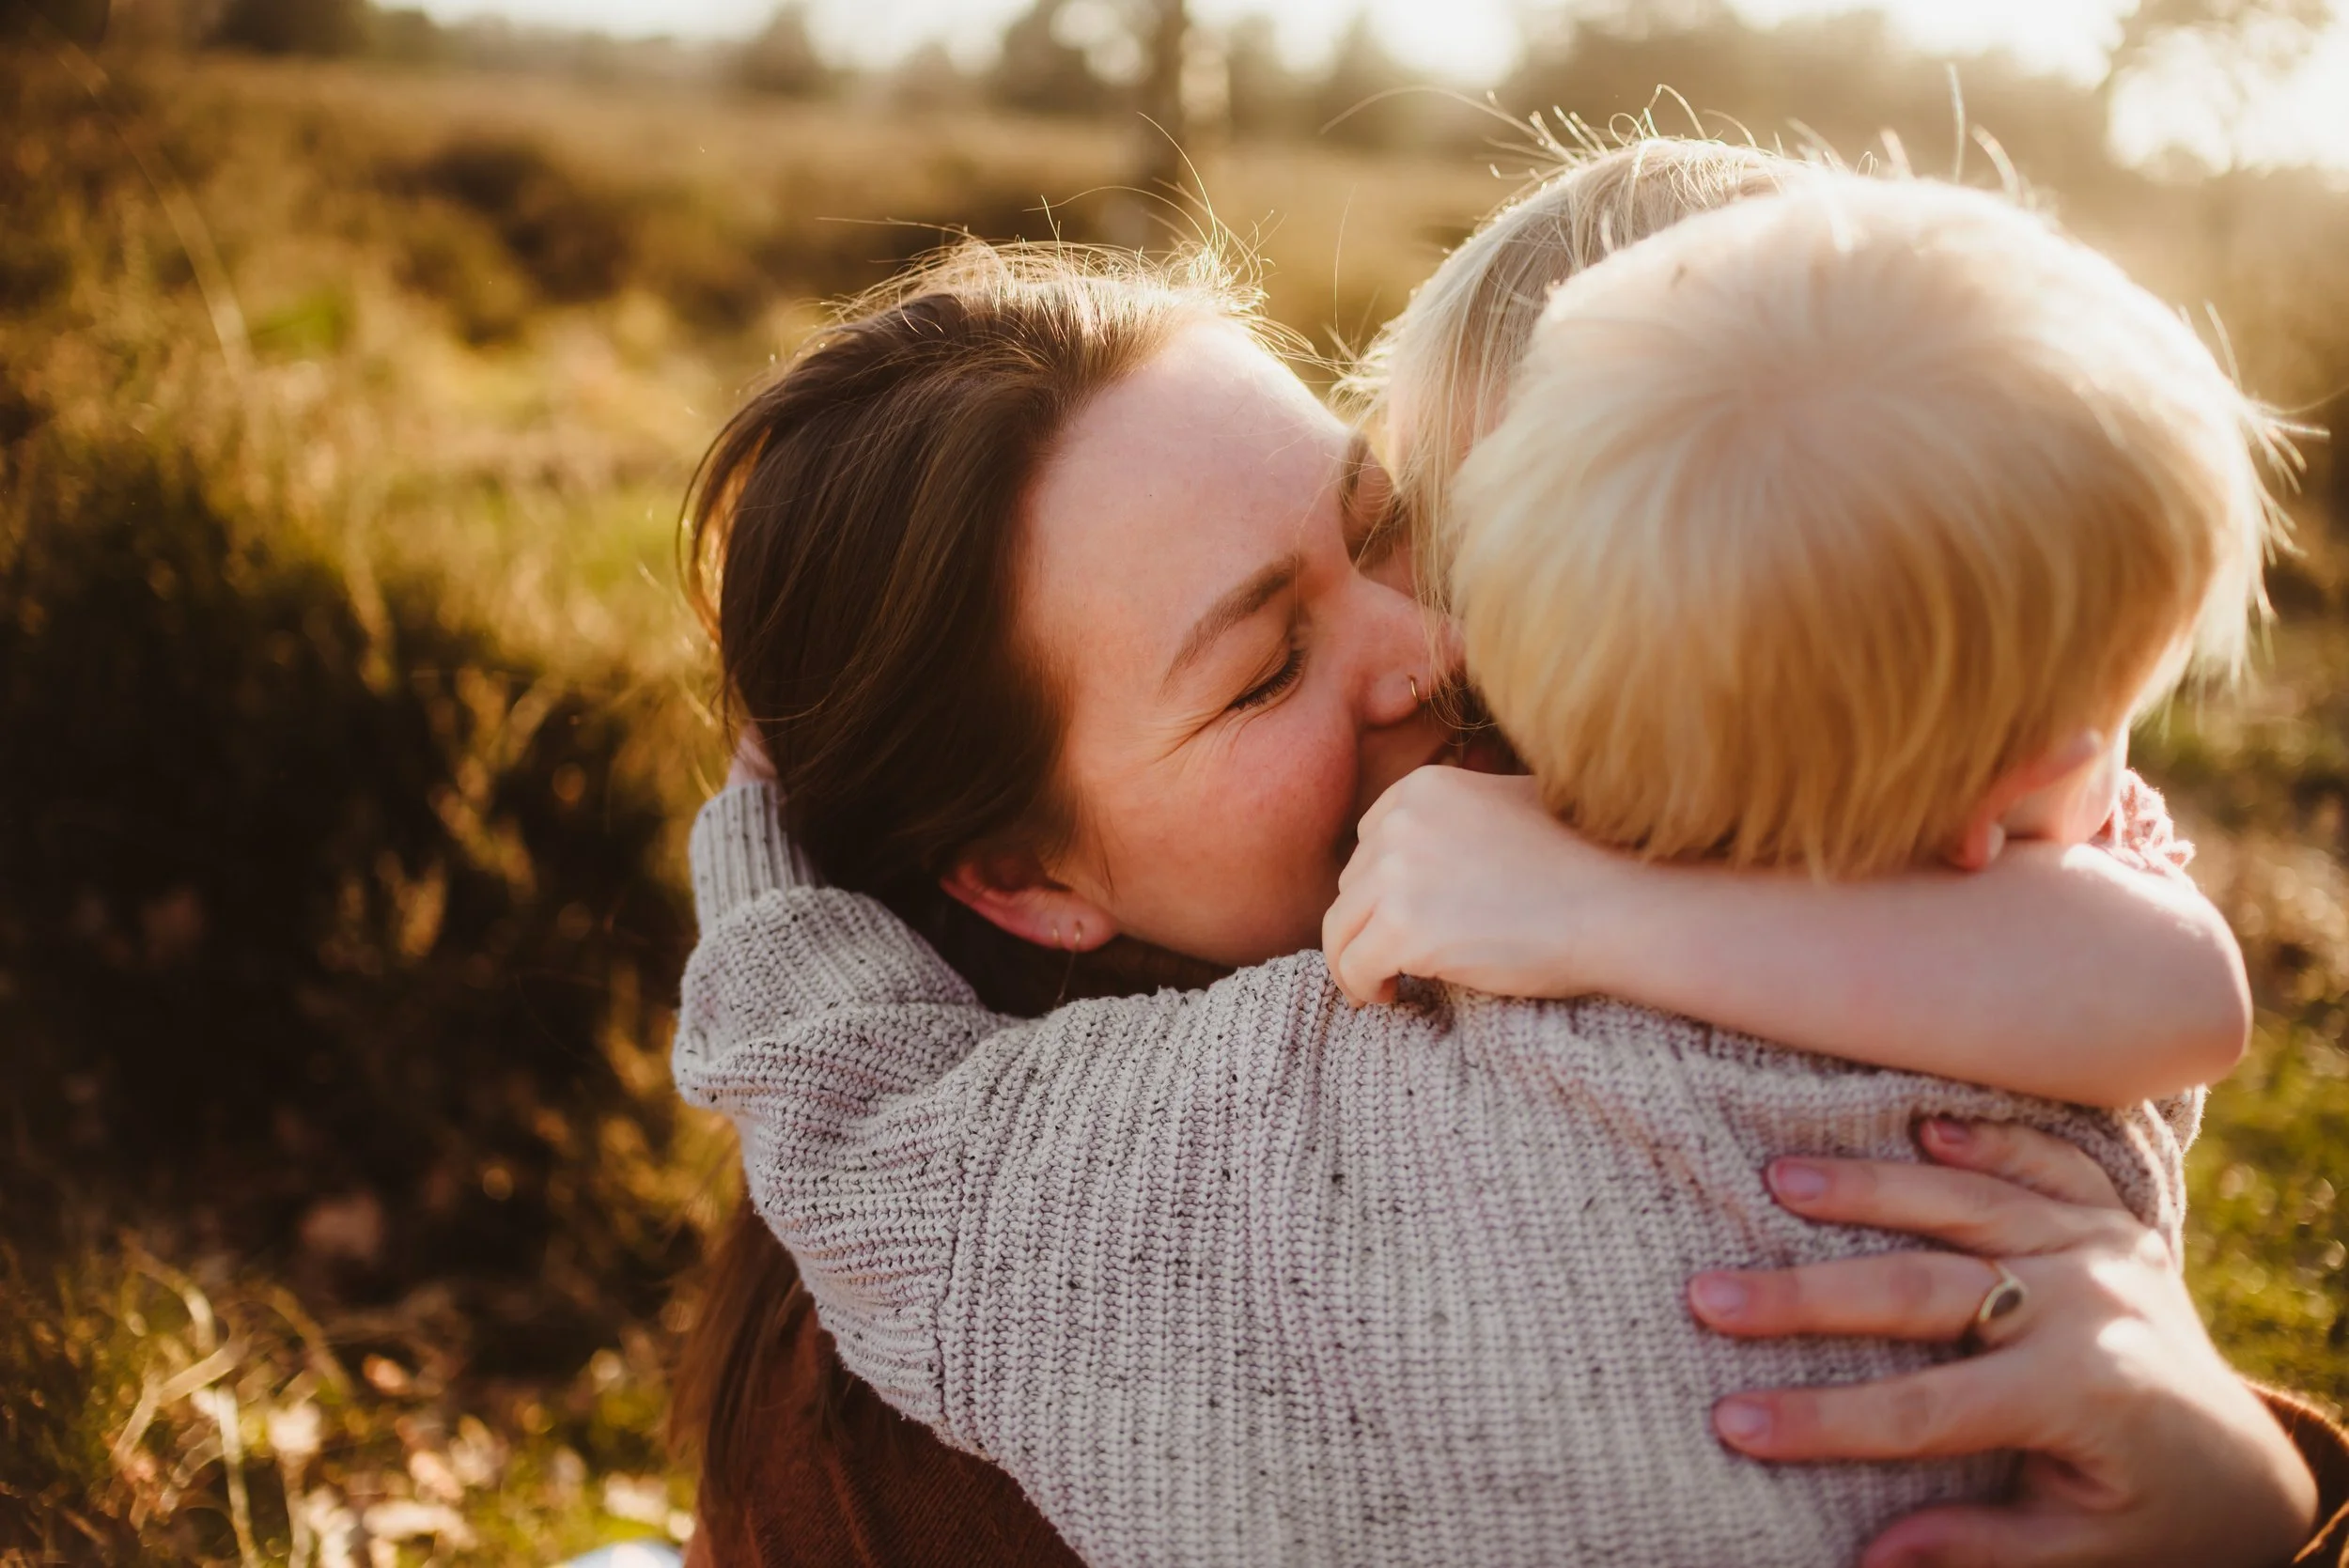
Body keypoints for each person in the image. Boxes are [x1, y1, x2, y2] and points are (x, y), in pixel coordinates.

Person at [664, 222, 2285, 1563]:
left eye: (1392, 527)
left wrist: (2232, 1477)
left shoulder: (1742, 820)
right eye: (1265, 669)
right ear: (1021, 875)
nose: (1436, 644)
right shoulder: (946, 1423)